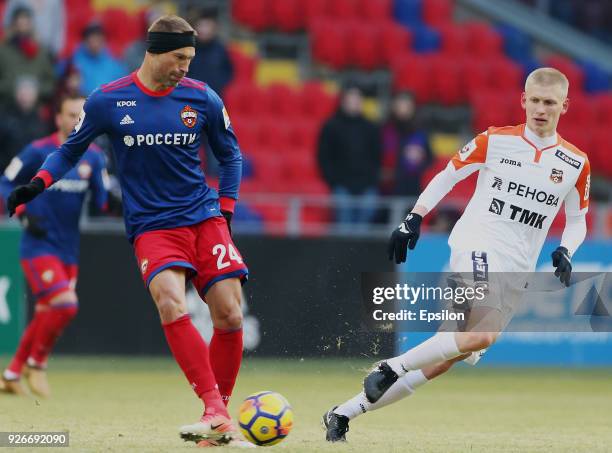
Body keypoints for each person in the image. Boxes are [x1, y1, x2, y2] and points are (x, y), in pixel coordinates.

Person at [6, 15, 249, 447]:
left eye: (190, 58)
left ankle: (217, 416)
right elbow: (68, 151)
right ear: (154, 52)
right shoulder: (107, 101)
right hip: (153, 226)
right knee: (171, 303)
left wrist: (225, 211)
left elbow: (231, 156)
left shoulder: (203, 98)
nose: (186, 67)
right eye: (179, 57)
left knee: (230, 313)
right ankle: (215, 409)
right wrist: (36, 185)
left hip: (204, 217)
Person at [323, 67, 590, 441]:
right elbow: (448, 174)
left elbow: (578, 221)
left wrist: (566, 247)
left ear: (564, 105)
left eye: (549, 103)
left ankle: (342, 413)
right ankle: (390, 366)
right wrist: (415, 216)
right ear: (523, 101)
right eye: (534, 101)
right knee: (482, 333)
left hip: (516, 269)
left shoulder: (575, 163)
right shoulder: (495, 140)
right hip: (477, 246)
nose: (540, 110)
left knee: (448, 357)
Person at [0, 94, 108, 397]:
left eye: (80, 115)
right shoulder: (38, 151)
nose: (75, 121)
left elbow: (102, 200)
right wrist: (23, 215)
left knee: (48, 310)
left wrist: (114, 200)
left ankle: (10, 374)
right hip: (38, 245)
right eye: (70, 114)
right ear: (58, 117)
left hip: (68, 250)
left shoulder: (94, 156)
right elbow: (5, 182)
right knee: (66, 303)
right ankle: (36, 364)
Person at [317, 85, 382, 228]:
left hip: (366, 185)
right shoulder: (331, 126)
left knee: (368, 211)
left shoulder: (370, 127)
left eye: (357, 99)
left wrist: (371, 180)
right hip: (341, 185)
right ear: (343, 102)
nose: (354, 103)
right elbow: (323, 157)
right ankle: (344, 250)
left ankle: (359, 249)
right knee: (343, 217)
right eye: (350, 99)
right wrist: (333, 181)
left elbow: (377, 157)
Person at [380, 91, 432, 196]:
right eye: (400, 105)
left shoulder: (420, 132)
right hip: (386, 187)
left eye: (407, 105)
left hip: (412, 186)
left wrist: (419, 161)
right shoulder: (384, 130)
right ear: (393, 106)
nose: (403, 109)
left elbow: (429, 159)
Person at [0, 5, 55, 104]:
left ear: (31, 25)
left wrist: (36, 90)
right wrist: (15, 89)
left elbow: (50, 84)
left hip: (35, 108)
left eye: (26, 23)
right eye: (19, 23)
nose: (22, 27)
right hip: (7, 106)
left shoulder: (41, 51)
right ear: (12, 25)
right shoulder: (3, 51)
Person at [0, 75, 49, 174]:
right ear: (16, 94)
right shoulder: (4, 115)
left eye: (29, 92)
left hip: (33, 171)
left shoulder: (42, 119)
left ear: (36, 95)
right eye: (22, 91)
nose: (25, 96)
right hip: (5, 169)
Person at [187, 7, 234, 96]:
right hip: (192, 96)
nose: (203, 30)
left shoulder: (221, 50)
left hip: (215, 96)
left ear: (214, 27)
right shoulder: (187, 49)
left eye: (207, 25)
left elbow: (228, 72)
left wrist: (219, 85)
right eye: (200, 25)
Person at [71, 22, 127, 96]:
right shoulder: (75, 62)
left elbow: (124, 89)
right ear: (85, 41)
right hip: (82, 101)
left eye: (98, 38)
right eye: (91, 38)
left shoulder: (115, 65)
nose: (95, 43)